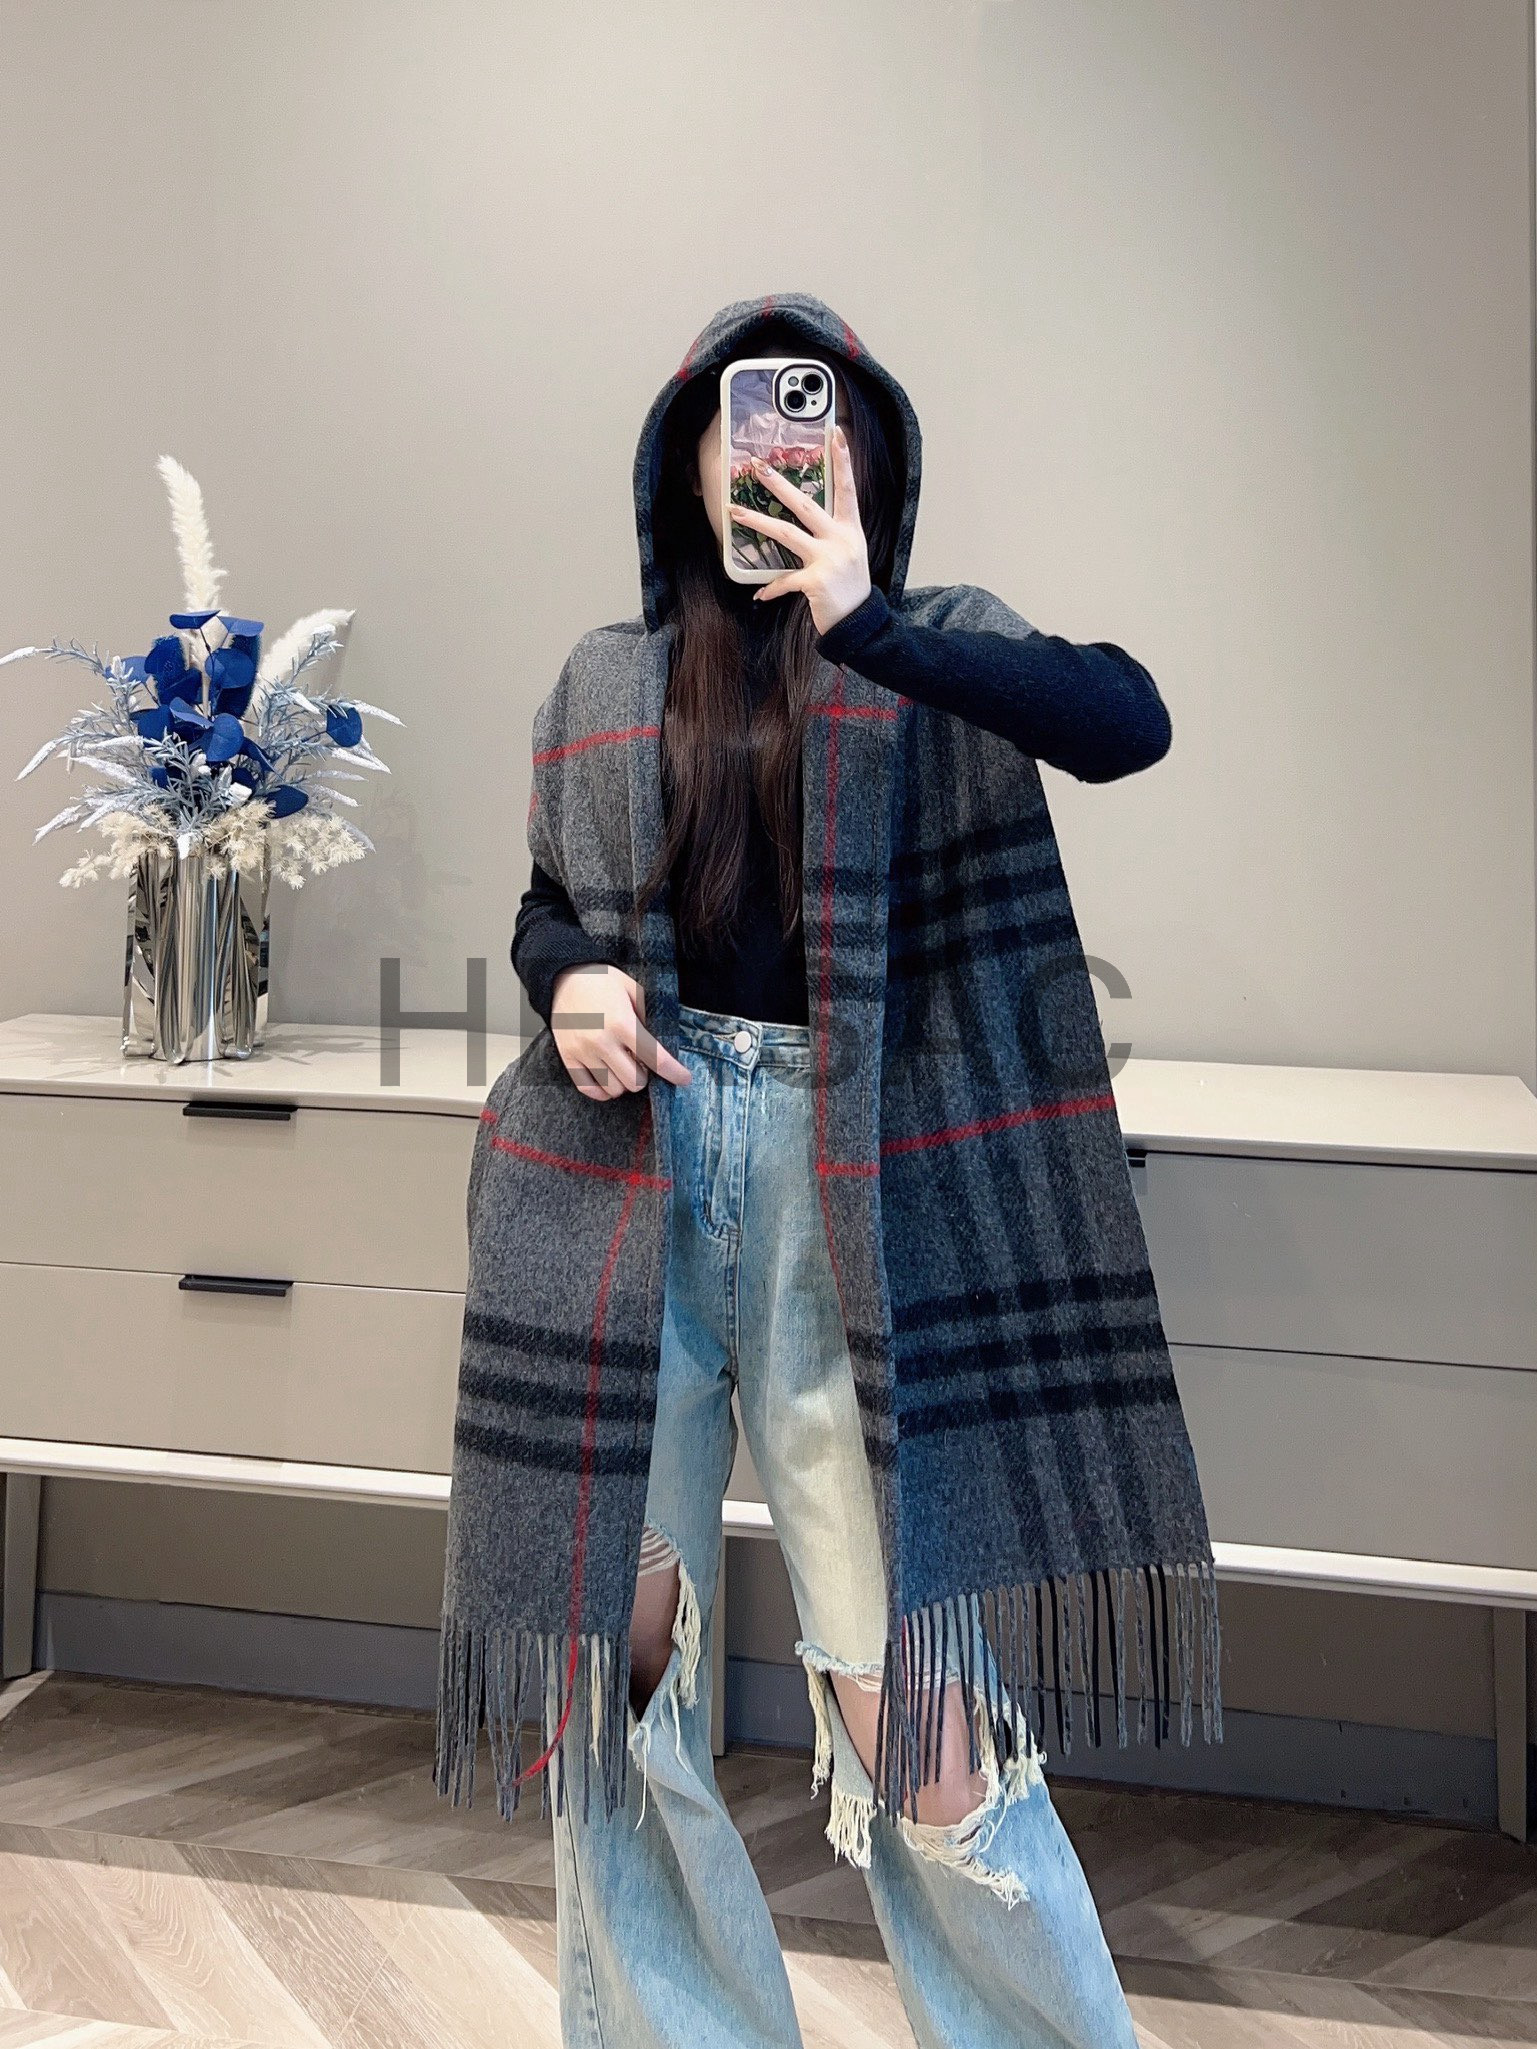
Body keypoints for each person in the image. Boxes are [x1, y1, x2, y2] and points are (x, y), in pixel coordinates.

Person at [435, 294, 1220, 2049]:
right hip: (627, 1180)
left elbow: (1127, 719)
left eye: (816, 418)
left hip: (846, 1196)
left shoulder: (931, 648)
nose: (778, 450)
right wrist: (566, 983)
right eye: (740, 421)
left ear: (864, 455)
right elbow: (546, 904)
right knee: (619, 1679)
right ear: (682, 463)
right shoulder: (608, 677)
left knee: (917, 1720)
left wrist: (867, 620)